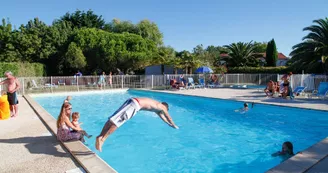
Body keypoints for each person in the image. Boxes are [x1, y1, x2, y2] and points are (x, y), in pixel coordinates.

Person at [95, 98, 179, 152]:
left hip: (131, 101)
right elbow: (168, 117)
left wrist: (168, 124)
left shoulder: (157, 106)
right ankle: (103, 139)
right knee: (117, 122)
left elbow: (163, 117)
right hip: (135, 105)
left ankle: (100, 136)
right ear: (165, 107)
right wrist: (174, 125)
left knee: (112, 119)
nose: (164, 111)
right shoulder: (163, 107)